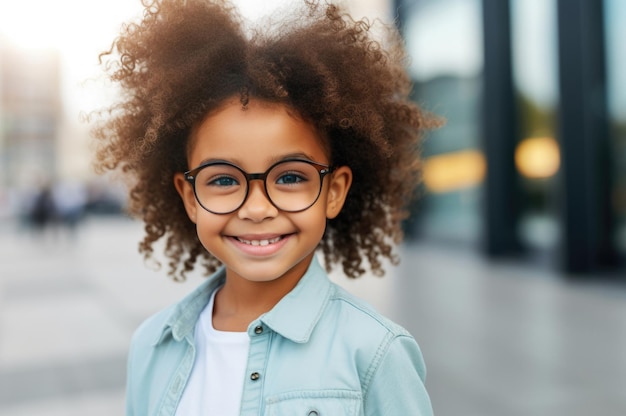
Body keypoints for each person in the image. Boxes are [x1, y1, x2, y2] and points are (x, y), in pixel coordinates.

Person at [92, 0, 440, 414]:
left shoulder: (375, 353)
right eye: (222, 179)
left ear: (334, 191)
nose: (257, 209)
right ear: (189, 198)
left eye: (290, 176)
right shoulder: (151, 345)